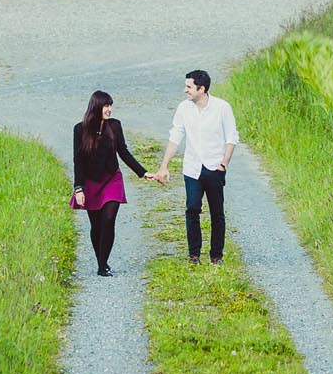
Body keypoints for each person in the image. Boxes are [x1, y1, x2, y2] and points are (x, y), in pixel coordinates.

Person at [153, 68, 238, 265]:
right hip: (192, 168)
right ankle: (194, 255)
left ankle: (216, 255)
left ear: (202, 88)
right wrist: (164, 166)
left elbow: (232, 137)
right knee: (192, 209)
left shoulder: (222, 108)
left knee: (217, 212)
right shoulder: (184, 108)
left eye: (189, 87)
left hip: (214, 166)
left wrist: (224, 163)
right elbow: (175, 136)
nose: (185, 90)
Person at [72, 88, 148, 277]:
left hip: (112, 179)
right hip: (90, 182)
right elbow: (78, 160)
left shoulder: (114, 126)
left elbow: (123, 152)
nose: (109, 109)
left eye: (110, 105)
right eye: (106, 105)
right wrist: (79, 188)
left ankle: (102, 264)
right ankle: (100, 261)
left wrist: (143, 173)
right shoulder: (80, 129)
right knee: (96, 225)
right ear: (96, 107)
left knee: (108, 219)